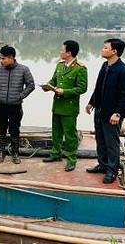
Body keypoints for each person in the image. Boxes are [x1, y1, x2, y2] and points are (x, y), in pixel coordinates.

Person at [85, 38, 125, 184]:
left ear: (114, 51)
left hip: (113, 114)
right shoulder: (105, 66)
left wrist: (118, 113)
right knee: (100, 138)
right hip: (100, 110)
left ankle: (112, 171)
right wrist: (91, 102)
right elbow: (98, 87)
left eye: (105, 48)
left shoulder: (123, 71)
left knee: (111, 143)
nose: (102, 49)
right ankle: (103, 165)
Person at [42, 40, 88, 172]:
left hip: (69, 107)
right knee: (56, 132)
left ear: (69, 53)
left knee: (70, 135)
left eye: (62, 50)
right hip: (57, 105)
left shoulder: (80, 68)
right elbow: (54, 80)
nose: (60, 52)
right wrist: (47, 86)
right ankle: (56, 154)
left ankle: (71, 159)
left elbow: (82, 88)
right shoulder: (60, 66)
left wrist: (65, 92)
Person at [0, 45, 35, 164]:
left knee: (15, 130)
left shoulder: (23, 69)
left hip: (15, 106)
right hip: (1, 105)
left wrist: (20, 96)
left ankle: (15, 153)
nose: (1, 61)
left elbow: (31, 85)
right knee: (1, 129)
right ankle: (1, 153)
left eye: (3, 58)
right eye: (0, 58)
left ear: (11, 58)